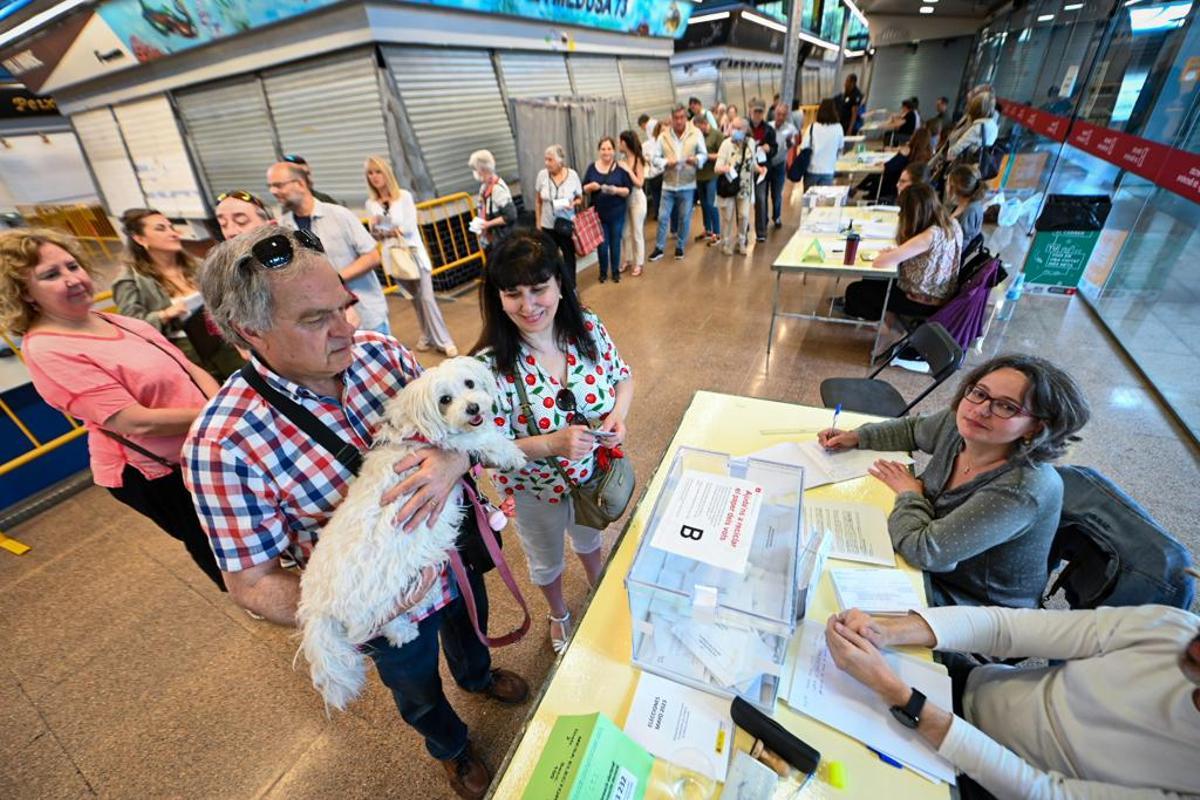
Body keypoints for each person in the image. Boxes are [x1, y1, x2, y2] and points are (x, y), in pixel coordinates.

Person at [183, 225, 529, 799]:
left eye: (344, 304)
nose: (347, 327)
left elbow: (460, 424)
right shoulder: (222, 444)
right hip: (383, 613)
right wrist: (361, 610)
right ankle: (451, 746)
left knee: (470, 627)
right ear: (250, 332)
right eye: (316, 319)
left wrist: (453, 465)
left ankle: (478, 675)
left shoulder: (384, 356)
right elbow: (252, 582)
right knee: (416, 686)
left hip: (449, 556)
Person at [1, 228, 225, 591]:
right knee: (210, 540)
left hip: (201, 443)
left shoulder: (112, 319)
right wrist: (220, 416)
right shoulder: (48, 350)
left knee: (240, 527)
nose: (72, 279)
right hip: (157, 472)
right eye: (51, 275)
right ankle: (252, 599)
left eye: (72, 266)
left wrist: (218, 410)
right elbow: (136, 421)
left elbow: (185, 366)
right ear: (25, 293)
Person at [824, 603, 1200, 798]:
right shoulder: (1176, 630)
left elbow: (1041, 793)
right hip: (963, 691)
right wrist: (886, 631)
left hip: (981, 783)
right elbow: (1007, 628)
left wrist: (901, 697)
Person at [818, 355, 1091, 608]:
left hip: (972, 603)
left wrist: (910, 494)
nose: (981, 409)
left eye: (1007, 406)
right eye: (979, 393)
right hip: (926, 561)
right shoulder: (964, 424)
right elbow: (913, 429)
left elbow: (924, 552)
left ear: (1036, 427)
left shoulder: (1022, 489)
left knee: (825, 590)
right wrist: (858, 437)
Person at [472, 230, 633, 653]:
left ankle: (599, 584)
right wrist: (550, 444)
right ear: (498, 298)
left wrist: (618, 415)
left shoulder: (588, 329)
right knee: (545, 559)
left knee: (590, 535)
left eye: (539, 288)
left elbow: (623, 377)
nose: (529, 306)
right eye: (513, 294)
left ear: (561, 284)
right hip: (533, 490)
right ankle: (559, 611)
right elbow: (486, 449)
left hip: (590, 474)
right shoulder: (488, 369)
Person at [114, 208, 244, 381]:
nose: (173, 233)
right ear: (140, 239)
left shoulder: (197, 265)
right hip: (185, 355)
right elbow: (130, 327)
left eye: (171, 227)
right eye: (161, 229)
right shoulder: (130, 280)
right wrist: (164, 315)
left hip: (223, 344)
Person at [268, 161, 390, 334]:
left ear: (300, 184)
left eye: (279, 185)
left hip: (367, 317)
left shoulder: (339, 215)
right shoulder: (284, 227)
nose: (273, 191)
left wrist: (334, 279)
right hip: (326, 326)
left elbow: (372, 256)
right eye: (270, 186)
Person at [364, 155, 457, 356]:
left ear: (386, 172)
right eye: (370, 173)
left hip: (414, 254)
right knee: (415, 299)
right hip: (394, 257)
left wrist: (384, 227)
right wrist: (380, 229)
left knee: (427, 298)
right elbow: (375, 234)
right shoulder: (371, 204)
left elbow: (407, 227)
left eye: (378, 171)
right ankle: (426, 335)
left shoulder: (404, 196)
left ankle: (444, 340)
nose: (374, 177)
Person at [842, 182, 962, 321]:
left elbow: (879, 263)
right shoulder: (952, 224)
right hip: (941, 292)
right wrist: (898, 252)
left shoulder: (928, 236)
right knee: (872, 280)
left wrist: (888, 254)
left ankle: (882, 324)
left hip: (922, 300)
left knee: (855, 291)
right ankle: (886, 319)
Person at [650, 106, 708, 262]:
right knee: (662, 217)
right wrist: (666, 162)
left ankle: (680, 246)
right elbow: (654, 159)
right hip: (668, 184)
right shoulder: (663, 136)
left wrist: (696, 160)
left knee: (684, 218)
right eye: (676, 118)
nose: (679, 121)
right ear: (671, 118)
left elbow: (704, 155)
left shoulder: (696, 134)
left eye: (682, 117)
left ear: (686, 117)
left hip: (687, 184)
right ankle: (659, 247)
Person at [582, 137, 633, 284]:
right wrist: (590, 186)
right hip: (598, 214)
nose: (606, 152)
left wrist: (615, 190)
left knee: (615, 243)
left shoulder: (620, 168)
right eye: (603, 149)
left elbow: (628, 190)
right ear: (599, 151)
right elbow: (583, 188)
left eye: (609, 148)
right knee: (602, 247)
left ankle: (615, 272)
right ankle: (603, 272)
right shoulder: (592, 168)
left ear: (614, 150)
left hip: (617, 213)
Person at [534, 144, 583, 294]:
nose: (547, 163)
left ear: (560, 161)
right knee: (550, 257)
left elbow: (580, 198)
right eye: (546, 159)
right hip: (548, 224)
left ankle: (572, 287)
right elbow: (538, 201)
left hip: (566, 223)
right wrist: (538, 223)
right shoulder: (542, 175)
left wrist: (573, 203)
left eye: (550, 160)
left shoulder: (572, 175)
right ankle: (554, 287)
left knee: (569, 257)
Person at [714, 117, 764, 256]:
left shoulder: (751, 143)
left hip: (745, 187)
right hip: (728, 186)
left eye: (738, 128)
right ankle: (726, 243)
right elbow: (717, 167)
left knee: (744, 216)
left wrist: (759, 169)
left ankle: (741, 242)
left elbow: (751, 163)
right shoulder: (726, 144)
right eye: (733, 127)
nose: (734, 130)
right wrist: (726, 168)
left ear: (745, 130)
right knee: (728, 217)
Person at [857, 128, 933, 202]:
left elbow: (888, 167)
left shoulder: (906, 152)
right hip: (910, 187)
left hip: (893, 184)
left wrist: (883, 164)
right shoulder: (928, 155)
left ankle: (859, 188)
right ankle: (859, 188)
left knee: (876, 173)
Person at [468, 149, 516, 254]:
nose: (475, 172)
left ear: (483, 169)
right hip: (492, 240)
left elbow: (511, 216)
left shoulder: (498, 189)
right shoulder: (484, 187)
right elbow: (482, 207)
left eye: (475, 169)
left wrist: (488, 224)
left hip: (504, 242)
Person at [747, 99, 778, 243]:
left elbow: (774, 148)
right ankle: (743, 229)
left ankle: (761, 231)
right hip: (746, 169)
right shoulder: (744, 128)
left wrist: (769, 149)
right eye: (755, 111)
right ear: (750, 111)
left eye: (760, 112)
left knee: (760, 198)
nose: (758, 115)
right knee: (744, 200)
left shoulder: (769, 130)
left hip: (762, 170)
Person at [618, 130, 648, 277]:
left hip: (637, 199)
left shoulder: (638, 160)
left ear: (625, 142)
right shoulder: (622, 159)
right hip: (625, 200)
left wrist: (628, 170)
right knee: (624, 232)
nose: (618, 144)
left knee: (636, 232)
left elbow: (640, 183)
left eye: (620, 141)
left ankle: (639, 263)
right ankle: (628, 259)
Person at [693, 113, 724, 246]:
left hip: (712, 175)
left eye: (699, 128)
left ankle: (717, 233)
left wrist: (706, 156)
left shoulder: (716, 135)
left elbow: (723, 154)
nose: (698, 132)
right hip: (699, 175)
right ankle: (708, 229)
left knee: (711, 204)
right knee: (704, 205)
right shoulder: (696, 136)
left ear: (705, 124)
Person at [800, 98, 845, 189]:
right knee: (823, 201)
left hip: (812, 169)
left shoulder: (812, 127)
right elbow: (840, 147)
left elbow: (803, 147)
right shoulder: (838, 128)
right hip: (829, 169)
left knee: (809, 200)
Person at [767, 102, 798, 228]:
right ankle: (764, 219)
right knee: (763, 193)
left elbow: (793, 144)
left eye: (783, 115)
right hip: (767, 164)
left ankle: (777, 217)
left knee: (777, 192)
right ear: (775, 114)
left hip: (780, 164)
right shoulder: (768, 127)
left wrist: (790, 142)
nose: (780, 117)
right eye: (778, 114)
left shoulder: (790, 129)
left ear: (786, 116)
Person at [945, 163, 988, 249]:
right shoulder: (964, 203)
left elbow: (961, 245)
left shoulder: (970, 211)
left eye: (947, 183)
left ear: (954, 188)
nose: (946, 186)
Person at [638, 115, 666, 221]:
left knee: (656, 194)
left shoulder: (647, 144)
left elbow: (644, 157)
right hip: (662, 171)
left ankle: (658, 213)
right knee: (663, 195)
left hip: (654, 174)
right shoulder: (662, 141)